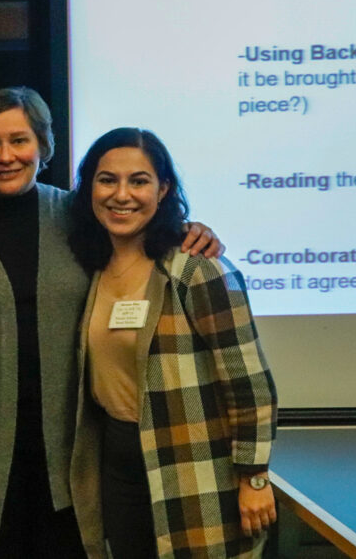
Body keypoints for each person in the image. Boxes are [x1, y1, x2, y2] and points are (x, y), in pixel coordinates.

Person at [0, 87, 222, 558]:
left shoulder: (78, 215)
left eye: (20, 140)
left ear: (44, 147)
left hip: (77, 444)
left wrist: (193, 231)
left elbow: (141, 228)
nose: (6, 156)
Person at [67, 128, 277, 559]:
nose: (121, 194)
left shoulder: (197, 269)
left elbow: (248, 381)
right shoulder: (90, 265)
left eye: (139, 181)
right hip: (118, 459)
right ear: (89, 186)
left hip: (193, 461)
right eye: (107, 180)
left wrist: (254, 476)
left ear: (163, 189)